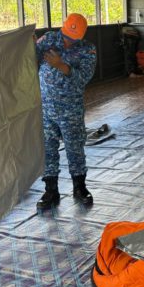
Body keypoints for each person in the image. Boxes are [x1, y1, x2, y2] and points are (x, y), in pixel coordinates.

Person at [35, 13, 97, 211]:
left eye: (73, 39)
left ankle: (80, 188)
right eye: (66, 37)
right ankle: (50, 190)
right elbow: (28, 58)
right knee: (48, 149)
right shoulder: (49, 39)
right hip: (46, 108)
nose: (68, 42)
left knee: (74, 147)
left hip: (71, 109)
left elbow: (83, 79)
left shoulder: (88, 50)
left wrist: (61, 65)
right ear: (63, 28)